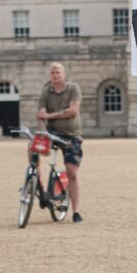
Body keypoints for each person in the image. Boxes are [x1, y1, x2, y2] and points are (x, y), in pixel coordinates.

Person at [37, 62, 84, 224]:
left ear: (63, 74)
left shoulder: (73, 89)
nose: (55, 75)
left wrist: (49, 116)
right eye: (52, 73)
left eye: (57, 72)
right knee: (32, 147)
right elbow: (41, 114)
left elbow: (73, 111)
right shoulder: (46, 92)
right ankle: (34, 178)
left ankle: (76, 211)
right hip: (52, 133)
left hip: (71, 135)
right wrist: (43, 132)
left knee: (72, 173)